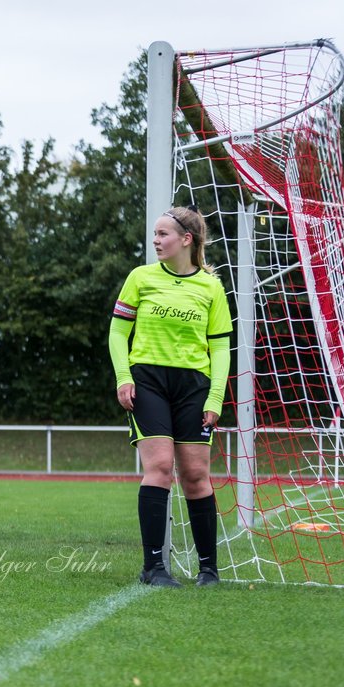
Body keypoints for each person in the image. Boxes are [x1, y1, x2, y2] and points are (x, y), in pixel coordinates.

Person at [109, 206, 231, 587]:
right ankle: (154, 568)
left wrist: (215, 399)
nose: (156, 241)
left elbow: (221, 349)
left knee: (196, 475)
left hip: (194, 385)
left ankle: (208, 570)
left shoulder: (211, 287)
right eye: (155, 235)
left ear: (186, 239)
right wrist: (123, 377)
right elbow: (117, 333)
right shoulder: (140, 278)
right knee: (159, 468)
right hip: (147, 381)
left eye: (163, 234)